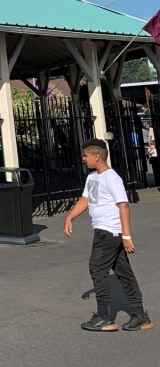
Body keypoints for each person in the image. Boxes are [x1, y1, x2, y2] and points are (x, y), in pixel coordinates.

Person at [64, 138, 152, 332]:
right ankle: (141, 316)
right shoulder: (93, 177)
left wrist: (126, 236)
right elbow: (85, 199)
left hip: (110, 231)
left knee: (97, 268)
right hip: (104, 230)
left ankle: (105, 317)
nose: (84, 159)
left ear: (96, 156)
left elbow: (124, 206)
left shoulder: (112, 178)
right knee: (123, 273)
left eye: (86, 156)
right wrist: (70, 217)